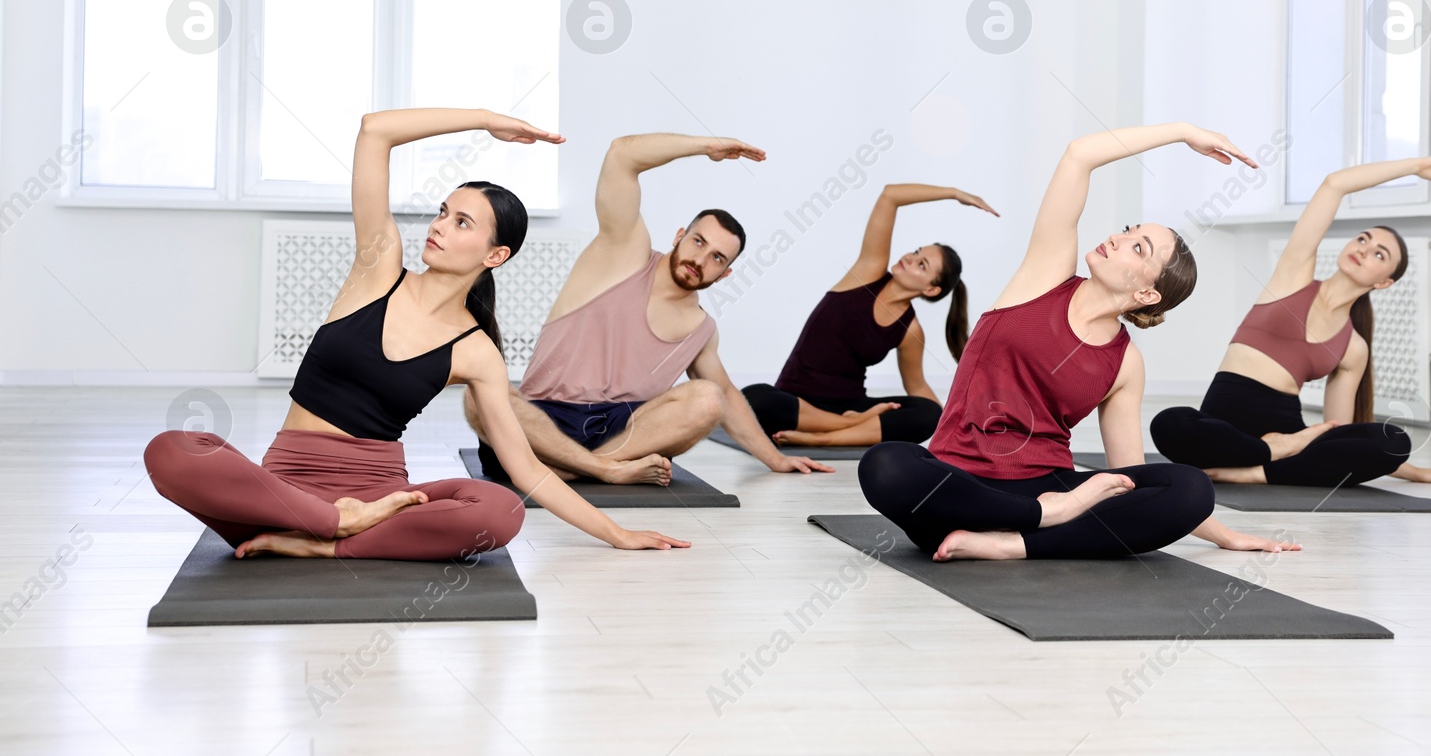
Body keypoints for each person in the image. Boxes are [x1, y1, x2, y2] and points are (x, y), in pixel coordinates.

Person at [144, 108, 689, 559]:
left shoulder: (475, 351)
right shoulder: (376, 269)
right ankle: (332, 522)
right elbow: (375, 131)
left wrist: (616, 533)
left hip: (382, 497)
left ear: (495, 255)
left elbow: (525, 466)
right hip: (284, 491)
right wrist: (483, 122)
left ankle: (325, 545)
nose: (437, 226)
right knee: (172, 452)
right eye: (442, 212)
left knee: (501, 510)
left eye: (461, 223)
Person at [858, 122, 1300, 560]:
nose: (1118, 238)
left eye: (1138, 248)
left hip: (1047, 485)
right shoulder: (1045, 275)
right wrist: (1183, 132)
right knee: (886, 465)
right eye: (1129, 229)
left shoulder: (1125, 363)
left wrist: (1223, 534)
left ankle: (1012, 543)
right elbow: (1078, 155)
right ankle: (1035, 520)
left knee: (1190, 488)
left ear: (1146, 294)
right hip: (959, 486)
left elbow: (1130, 474)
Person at [467, 133, 834, 484]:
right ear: (679, 236)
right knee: (477, 395)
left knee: (709, 398)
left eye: (717, 257)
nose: (700, 259)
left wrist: (776, 458)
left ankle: (588, 468)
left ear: (725, 273)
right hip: (543, 419)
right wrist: (707, 146)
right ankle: (597, 470)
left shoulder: (700, 329)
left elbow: (727, 397)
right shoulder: (625, 253)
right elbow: (621, 155)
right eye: (698, 242)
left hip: (619, 434)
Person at [1150, 156, 1431, 488]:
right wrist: (1415, 168)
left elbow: (1337, 432)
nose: (1364, 250)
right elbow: (1335, 184)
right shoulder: (1294, 276)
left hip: (1289, 434)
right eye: (1363, 239)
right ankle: (1266, 453)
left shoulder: (1353, 347)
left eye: (1380, 254)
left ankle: (1255, 471)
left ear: (1384, 283)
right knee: (1169, 422)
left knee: (1394, 440)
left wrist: (1410, 470)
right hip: (1221, 429)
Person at [744, 183, 994, 448]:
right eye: (917, 252)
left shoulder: (910, 330)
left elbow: (918, 387)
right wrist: (954, 193)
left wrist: (950, 422)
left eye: (922, 265)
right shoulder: (868, 273)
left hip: (851, 405)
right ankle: (846, 427)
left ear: (931, 289)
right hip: (795, 402)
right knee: (754, 399)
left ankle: (825, 438)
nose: (910, 257)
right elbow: (890, 195)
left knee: (929, 413)